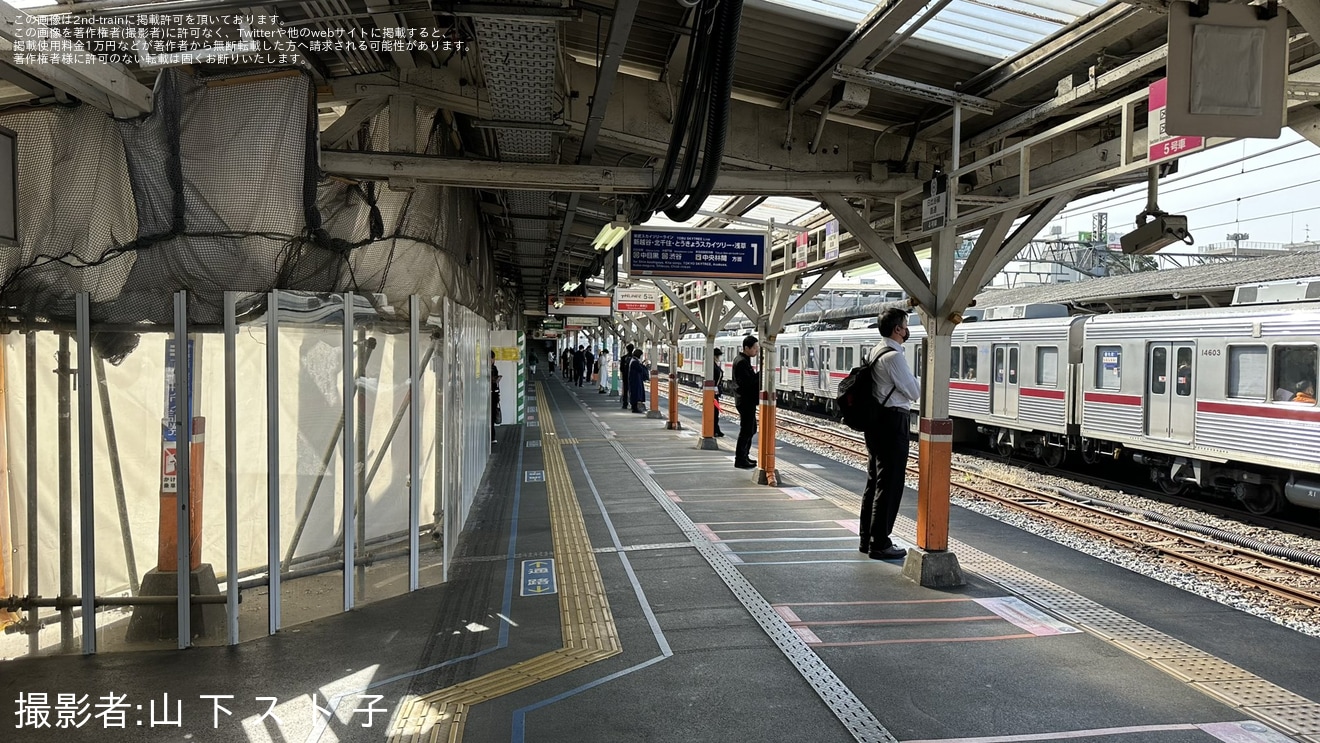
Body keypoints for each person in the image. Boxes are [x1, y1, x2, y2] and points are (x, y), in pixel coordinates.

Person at [859, 308, 921, 561]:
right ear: (898, 329)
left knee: (875, 480)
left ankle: (867, 538)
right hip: (892, 421)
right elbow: (913, 391)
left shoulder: (875, 350)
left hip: (876, 422)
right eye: (905, 326)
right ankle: (880, 542)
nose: (907, 330)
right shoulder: (893, 357)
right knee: (890, 483)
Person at [732, 335, 760, 470]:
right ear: (747, 348)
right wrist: (759, 375)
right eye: (755, 348)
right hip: (745, 400)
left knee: (751, 428)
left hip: (746, 400)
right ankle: (740, 459)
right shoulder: (742, 362)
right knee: (747, 430)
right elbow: (748, 383)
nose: (757, 351)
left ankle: (745, 456)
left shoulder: (743, 360)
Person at [629, 348, 648, 413]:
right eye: (641, 355)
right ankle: (635, 408)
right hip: (635, 381)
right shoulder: (635, 362)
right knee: (636, 394)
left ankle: (635, 407)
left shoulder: (633, 360)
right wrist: (642, 364)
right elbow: (640, 369)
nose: (642, 356)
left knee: (635, 394)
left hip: (635, 380)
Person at [712, 347, 725, 438]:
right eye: (717, 355)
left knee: (715, 412)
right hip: (712, 392)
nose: (719, 357)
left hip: (715, 392)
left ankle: (716, 429)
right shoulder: (712, 366)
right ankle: (714, 429)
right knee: (714, 412)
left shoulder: (716, 365)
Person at [490, 350, 502, 445]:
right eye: (493, 358)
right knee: (491, 416)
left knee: (492, 416)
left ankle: (492, 436)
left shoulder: (494, 368)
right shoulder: (492, 369)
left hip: (493, 394)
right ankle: (492, 437)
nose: (493, 360)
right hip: (492, 395)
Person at [620, 343, 636, 408]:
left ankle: (625, 404)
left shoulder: (623, 358)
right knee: (632, 390)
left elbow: (621, 368)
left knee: (625, 390)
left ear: (627, 349)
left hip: (625, 376)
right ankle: (633, 404)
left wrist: (624, 373)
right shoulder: (634, 358)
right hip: (633, 377)